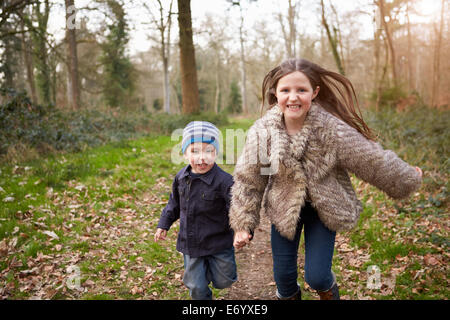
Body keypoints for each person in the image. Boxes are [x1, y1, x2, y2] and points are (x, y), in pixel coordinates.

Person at [229, 58, 423, 300]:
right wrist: (243, 224)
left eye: (301, 90)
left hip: (324, 208)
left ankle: (329, 292)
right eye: (285, 90)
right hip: (283, 206)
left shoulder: (331, 129)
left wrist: (406, 176)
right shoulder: (263, 131)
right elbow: (248, 179)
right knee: (284, 279)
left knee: (317, 276)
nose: (293, 97)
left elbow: (370, 159)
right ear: (275, 93)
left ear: (314, 92)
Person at [154, 121, 237, 300]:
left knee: (225, 280)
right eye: (195, 151)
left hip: (219, 242)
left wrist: (242, 230)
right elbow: (173, 204)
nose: (202, 158)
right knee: (197, 289)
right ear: (184, 153)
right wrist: (164, 224)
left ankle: (209, 272)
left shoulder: (225, 181)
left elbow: (237, 209)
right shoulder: (181, 178)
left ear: (216, 153)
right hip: (191, 243)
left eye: (208, 151)